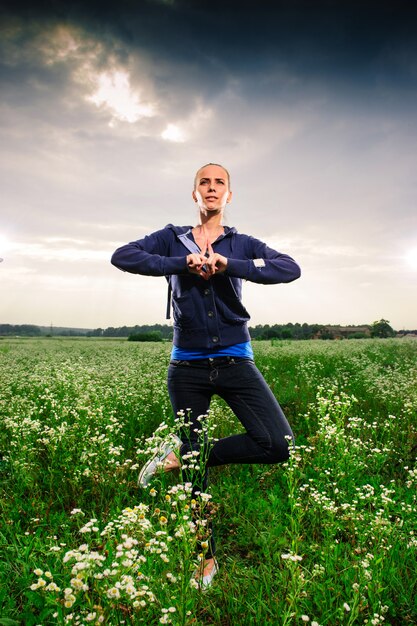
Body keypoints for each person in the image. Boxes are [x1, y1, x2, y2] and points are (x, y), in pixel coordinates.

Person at [111, 162, 301, 588]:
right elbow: (123, 256)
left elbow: (288, 267)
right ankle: (205, 559)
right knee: (197, 480)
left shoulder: (241, 242)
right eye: (204, 182)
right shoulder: (171, 236)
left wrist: (230, 264)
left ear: (228, 196)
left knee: (277, 443)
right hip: (187, 368)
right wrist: (183, 262)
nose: (211, 188)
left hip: (236, 359)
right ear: (193, 193)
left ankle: (180, 457)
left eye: (220, 183)